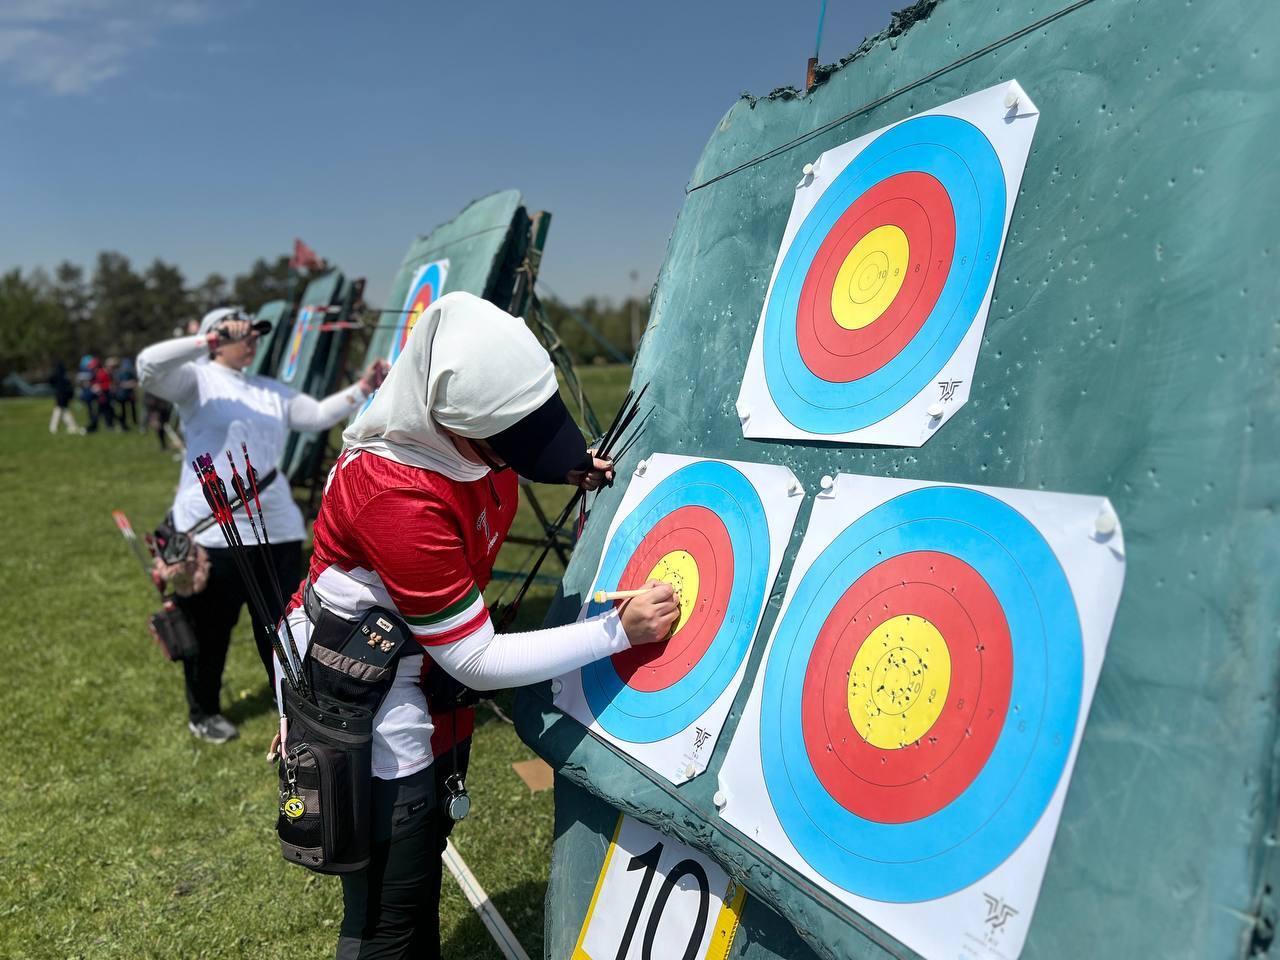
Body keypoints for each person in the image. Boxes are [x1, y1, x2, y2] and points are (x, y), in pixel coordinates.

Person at [276, 292, 678, 960]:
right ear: (453, 425)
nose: (519, 453)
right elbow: (475, 659)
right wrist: (618, 631)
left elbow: (516, 446)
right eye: (509, 442)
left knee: (419, 859)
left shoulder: (464, 441)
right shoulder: (396, 491)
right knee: (390, 919)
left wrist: (560, 463)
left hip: (417, 687)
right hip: (375, 719)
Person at [138, 307, 390, 744]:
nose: (252, 340)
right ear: (218, 336)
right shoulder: (196, 380)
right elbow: (148, 367)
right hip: (213, 534)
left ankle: (291, 706)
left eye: (256, 334)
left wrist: (364, 388)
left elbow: (314, 415)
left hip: (275, 531)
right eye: (242, 334)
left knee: (283, 627)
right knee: (210, 630)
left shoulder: (267, 389)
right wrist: (208, 341)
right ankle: (204, 711)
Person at [48, 360, 83, 434]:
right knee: (62, 411)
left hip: (60, 396)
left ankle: (55, 428)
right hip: (64, 397)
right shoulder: (65, 376)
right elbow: (70, 388)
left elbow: (50, 381)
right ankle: (71, 427)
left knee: (60, 411)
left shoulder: (56, 375)